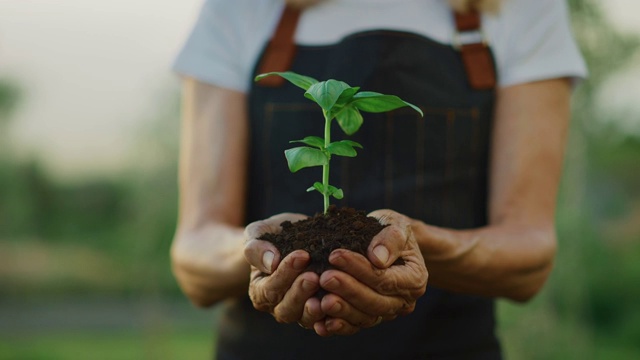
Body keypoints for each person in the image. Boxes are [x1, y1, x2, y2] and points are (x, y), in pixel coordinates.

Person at [170, 0, 587, 358]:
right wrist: (265, 250)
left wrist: (418, 243)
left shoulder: (520, 7)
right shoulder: (242, 8)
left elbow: (530, 256)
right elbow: (193, 257)